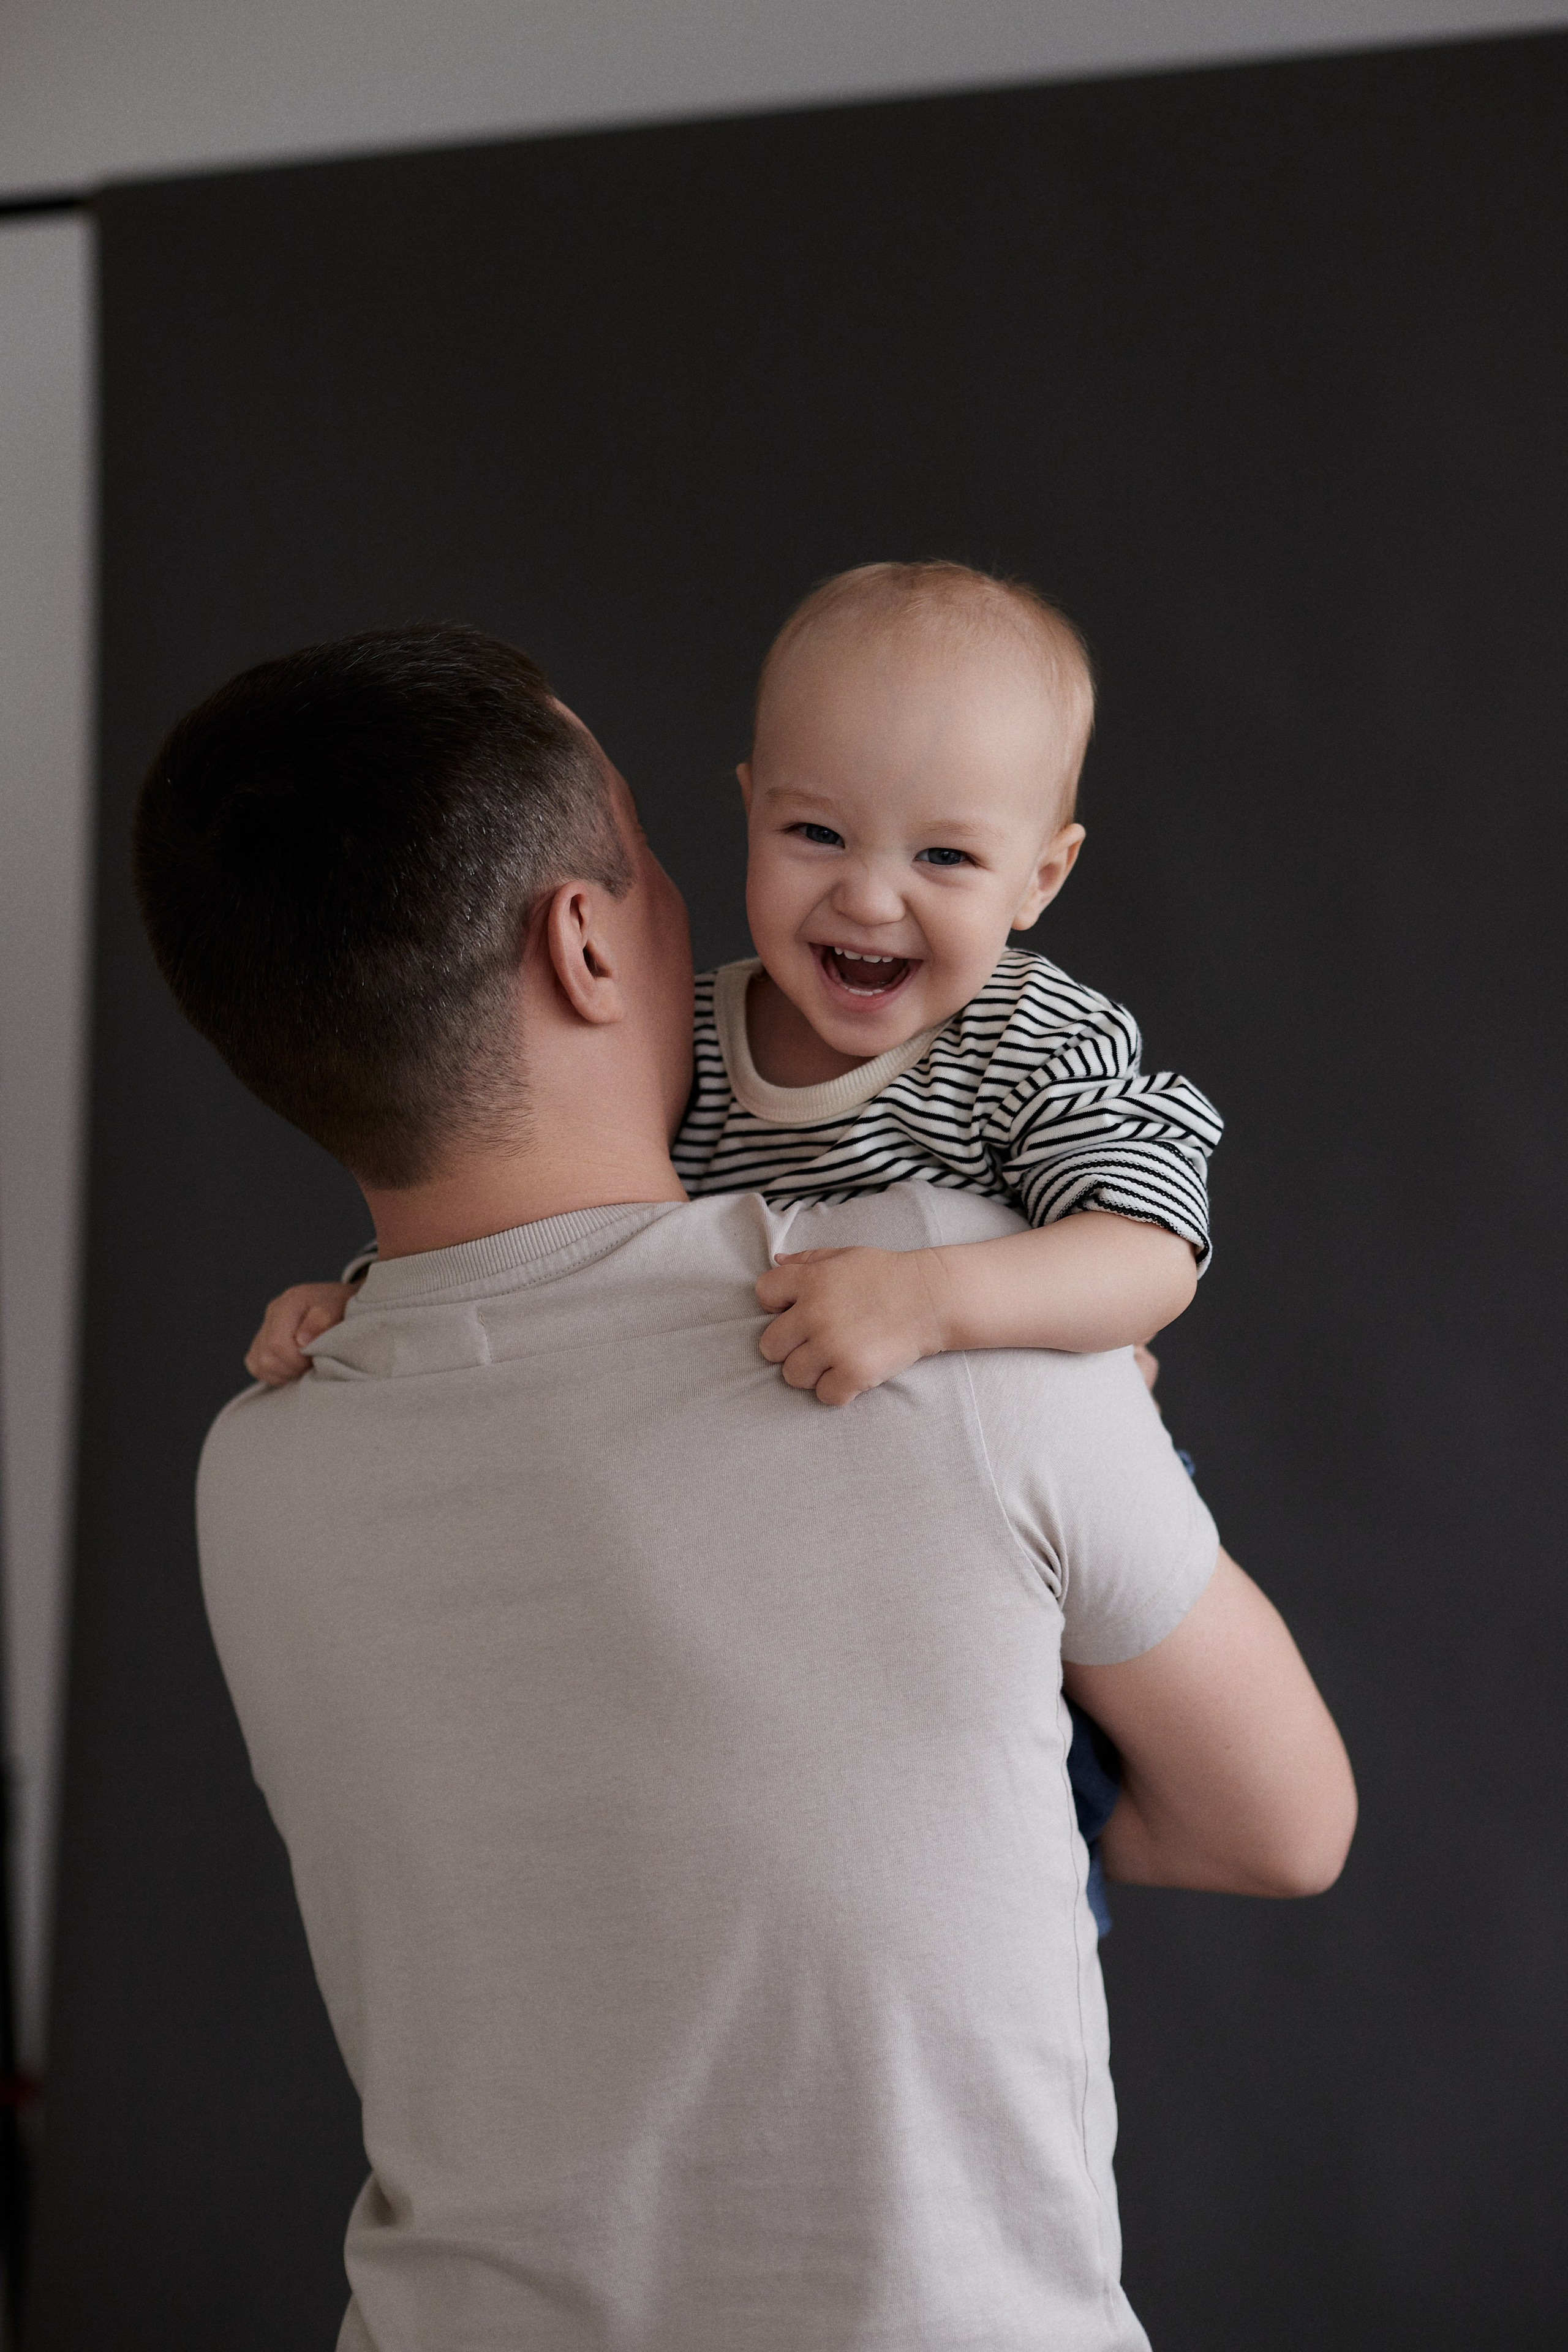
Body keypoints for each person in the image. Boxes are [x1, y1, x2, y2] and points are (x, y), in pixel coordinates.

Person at [134, 624, 1355, 2351]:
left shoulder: (253, 1465)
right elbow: (1285, 1822)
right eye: (650, 857)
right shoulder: (939, 1313)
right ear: (584, 941)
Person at [249, 562, 1219, 1404]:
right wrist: (371, 1298)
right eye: (817, 834)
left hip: (1051, 1514)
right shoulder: (692, 1045)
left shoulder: (1034, 1039)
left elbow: (1152, 1248)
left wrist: (929, 1303)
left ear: (1040, 879)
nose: (871, 898)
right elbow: (549, 1226)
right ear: (753, 809)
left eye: (946, 856)